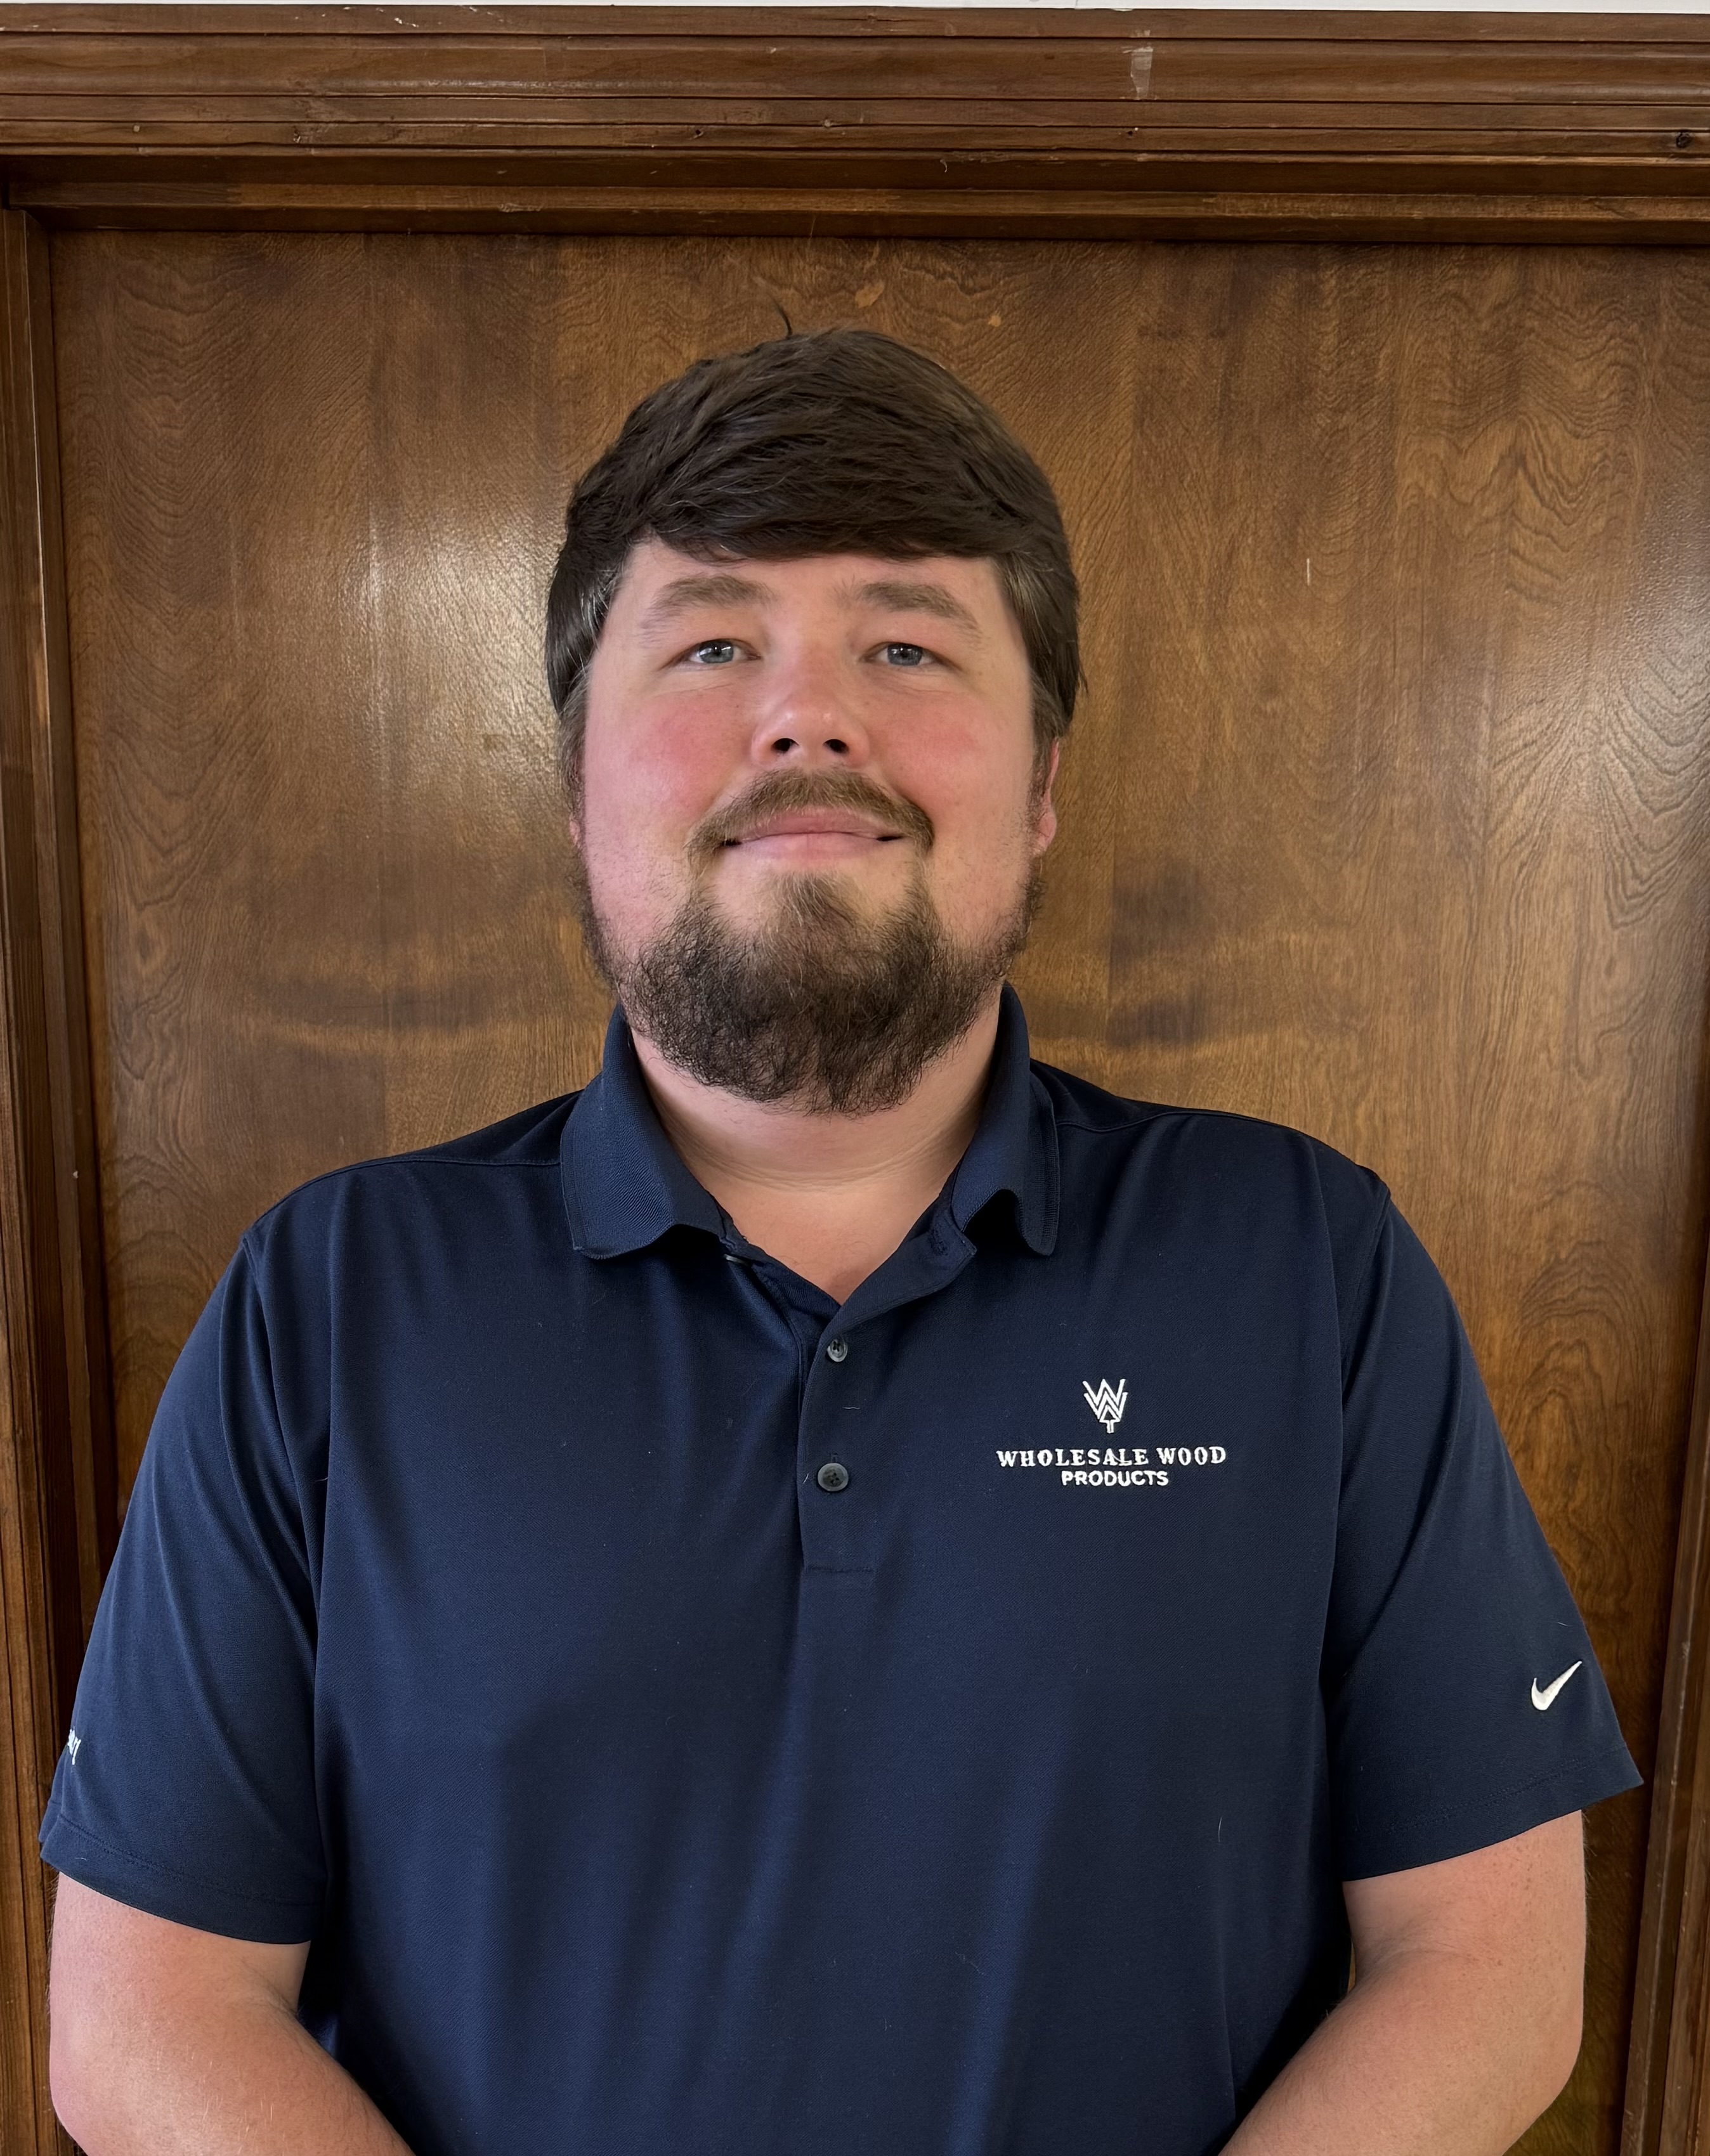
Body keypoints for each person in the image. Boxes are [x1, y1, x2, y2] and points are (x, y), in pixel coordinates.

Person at [42, 328, 1639, 2156]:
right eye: (714, 646)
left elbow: (1487, 1968)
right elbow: (146, 2020)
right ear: (574, 785)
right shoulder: (328, 1303)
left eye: (906, 646)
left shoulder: (1306, 1266)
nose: (807, 722)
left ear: (1043, 783)